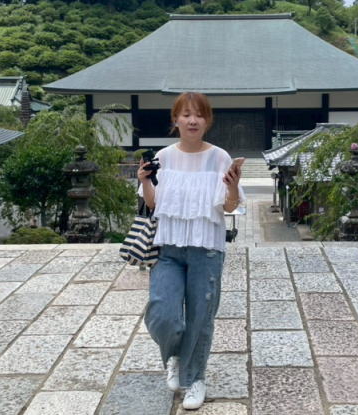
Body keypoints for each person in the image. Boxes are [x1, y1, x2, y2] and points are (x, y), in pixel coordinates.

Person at [137, 92, 245, 410]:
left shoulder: (220, 158)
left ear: (208, 121)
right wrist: (145, 181)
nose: (193, 120)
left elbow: (229, 207)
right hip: (168, 249)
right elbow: (154, 204)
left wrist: (232, 186)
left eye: (199, 115)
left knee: (200, 319)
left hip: (207, 250)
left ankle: (195, 378)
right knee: (163, 314)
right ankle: (174, 355)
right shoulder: (164, 157)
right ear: (176, 120)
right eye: (186, 114)